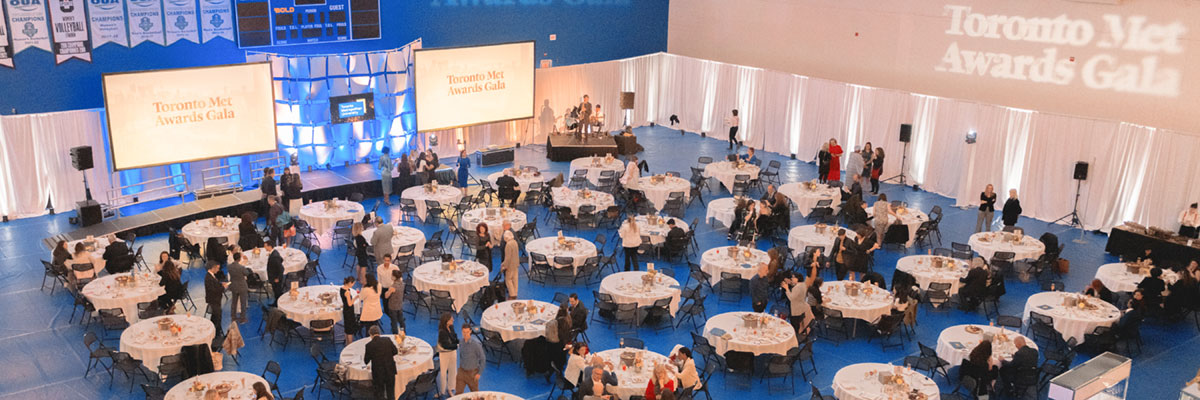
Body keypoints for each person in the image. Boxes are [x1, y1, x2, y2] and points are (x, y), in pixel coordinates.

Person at [363, 325, 398, 400]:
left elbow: (366, 361)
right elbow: (395, 351)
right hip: (390, 370)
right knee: (391, 392)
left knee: (380, 393)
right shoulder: (387, 340)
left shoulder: (369, 345)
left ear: (370, 335)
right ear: (379, 333)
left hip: (378, 373)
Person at [784, 262, 818, 334]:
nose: (792, 278)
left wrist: (786, 289)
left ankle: (796, 336)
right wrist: (790, 283)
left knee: (795, 324)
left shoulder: (797, 288)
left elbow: (791, 297)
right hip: (801, 308)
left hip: (796, 310)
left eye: (793, 277)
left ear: (797, 278)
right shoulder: (803, 285)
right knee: (798, 323)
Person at [456, 323, 485, 394]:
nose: (465, 334)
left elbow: (482, 358)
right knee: (458, 393)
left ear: (470, 331)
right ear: (461, 332)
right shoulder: (461, 342)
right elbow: (461, 356)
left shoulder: (476, 345)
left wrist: (479, 373)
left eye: (467, 332)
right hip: (461, 371)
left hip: (472, 373)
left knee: (475, 394)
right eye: (464, 332)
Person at [437, 313, 460, 397]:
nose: (453, 320)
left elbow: (454, 337)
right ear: (446, 321)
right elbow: (445, 345)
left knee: (453, 370)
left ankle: (450, 388)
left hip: (452, 352)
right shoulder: (442, 332)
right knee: (443, 372)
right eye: (451, 319)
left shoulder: (451, 327)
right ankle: (442, 391)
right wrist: (457, 346)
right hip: (445, 353)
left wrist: (457, 341)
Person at [204, 261, 227, 335]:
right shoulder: (208, 278)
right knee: (217, 316)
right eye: (217, 268)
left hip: (216, 299)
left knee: (215, 316)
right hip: (214, 299)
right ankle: (216, 332)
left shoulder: (211, 276)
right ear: (213, 268)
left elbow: (215, 286)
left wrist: (220, 284)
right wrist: (223, 287)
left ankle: (215, 329)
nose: (218, 270)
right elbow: (213, 290)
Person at [377, 253, 399, 329]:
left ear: (390, 260)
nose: (387, 262)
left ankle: (394, 320)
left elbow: (399, 278)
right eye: (385, 260)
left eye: (388, 260)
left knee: (393, 307)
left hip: (392, 288)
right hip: (384, 289)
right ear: (383, 260)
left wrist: (396, 288)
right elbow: (379, 280)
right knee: (386, 309)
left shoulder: (394, 267)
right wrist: (379, 291)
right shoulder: (379, 268)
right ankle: (395, 318)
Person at [227, 252, 250, 324]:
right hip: (242, 286)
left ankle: (233, 316)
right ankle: (242, 318)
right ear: (239, 258)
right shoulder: (241, 267)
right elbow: (246, 273)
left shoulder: (229, 266)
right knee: (243, 303)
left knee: (234, 302)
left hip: (234, 285)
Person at [385, 269, 406, 334]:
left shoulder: (393, 287)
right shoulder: (402, 283)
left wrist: (388, 290)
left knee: (394, 321)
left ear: (394, 277)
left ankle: (395, 334)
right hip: (399, 305)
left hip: (393, 306)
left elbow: (386, 296)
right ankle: (403, 331)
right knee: (401, 320)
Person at [340, 276, 359, 345]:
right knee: (350, 330)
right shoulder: (347, 292)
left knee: (347, 328)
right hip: (349, 311)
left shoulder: (342, 288)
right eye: (353, 283)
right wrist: (355, 298)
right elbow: (350, 303)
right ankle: (350, 344)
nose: (353, 285)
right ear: (350, 283)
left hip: (345, 310)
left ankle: (346, 343)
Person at [501, 230, 520, 299]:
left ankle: (512, 294)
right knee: (515, 279)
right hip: (516, 264)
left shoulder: (508, 245)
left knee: (508, 280)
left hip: (510, 265)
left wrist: (504, 266)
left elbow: (507, 258)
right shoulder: (515, 242)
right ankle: (515, 292)